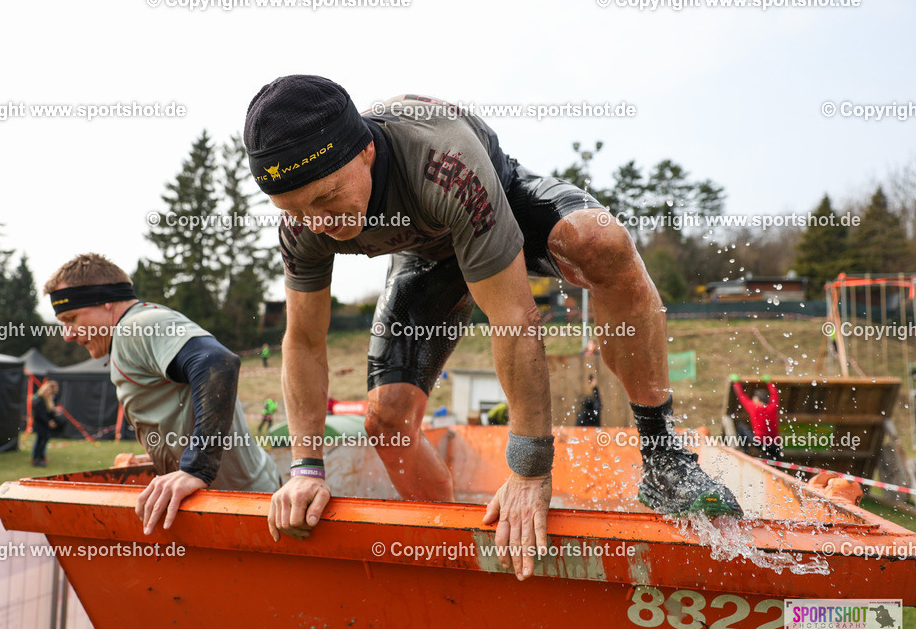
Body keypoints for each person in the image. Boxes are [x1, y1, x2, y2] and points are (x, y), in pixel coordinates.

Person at [249, 76, 741, 581]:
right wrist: (305, 470)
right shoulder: (303, 226)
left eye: (328, 198)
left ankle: (663, 456)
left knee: (601, 243)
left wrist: (530, 469)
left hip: (498, 205)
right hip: (426, 255)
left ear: (368, 152)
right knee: (387, 420)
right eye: (294, 209)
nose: (318, 222)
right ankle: (446, 546)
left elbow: (513, 317)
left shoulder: (443, 163)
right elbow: (304, 342)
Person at [44, 253, 279, 535]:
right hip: (238, 503)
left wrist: (196, 468)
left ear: (106, 301)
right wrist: (166, 456)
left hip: (245, 509)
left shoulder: (136, 326)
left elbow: (217, 363)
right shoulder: (132, 331)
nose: (68, 334)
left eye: (71, 318)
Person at [730, 374, 782, 462]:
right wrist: (769, 383)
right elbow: (775, 395)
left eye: (754, 398)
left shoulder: (754, 408)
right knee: (776, 464)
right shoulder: (773, 407)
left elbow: (741, 395)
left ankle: (744, 450)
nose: (753, 400)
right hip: (774, 444)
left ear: (758, 400)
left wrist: (736, 383)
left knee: (741, 426)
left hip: (759, 442)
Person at [31, 381, 64, 467]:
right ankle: (36, 459)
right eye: (47, 391)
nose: (49, 392)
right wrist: (48, 421)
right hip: (40, 425)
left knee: (43, 441)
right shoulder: (39, 401)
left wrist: (55, 414)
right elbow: (40, 414)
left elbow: (48, 412)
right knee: (40, 442)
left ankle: (40, 458)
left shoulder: (48, 400)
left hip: (44, 425)